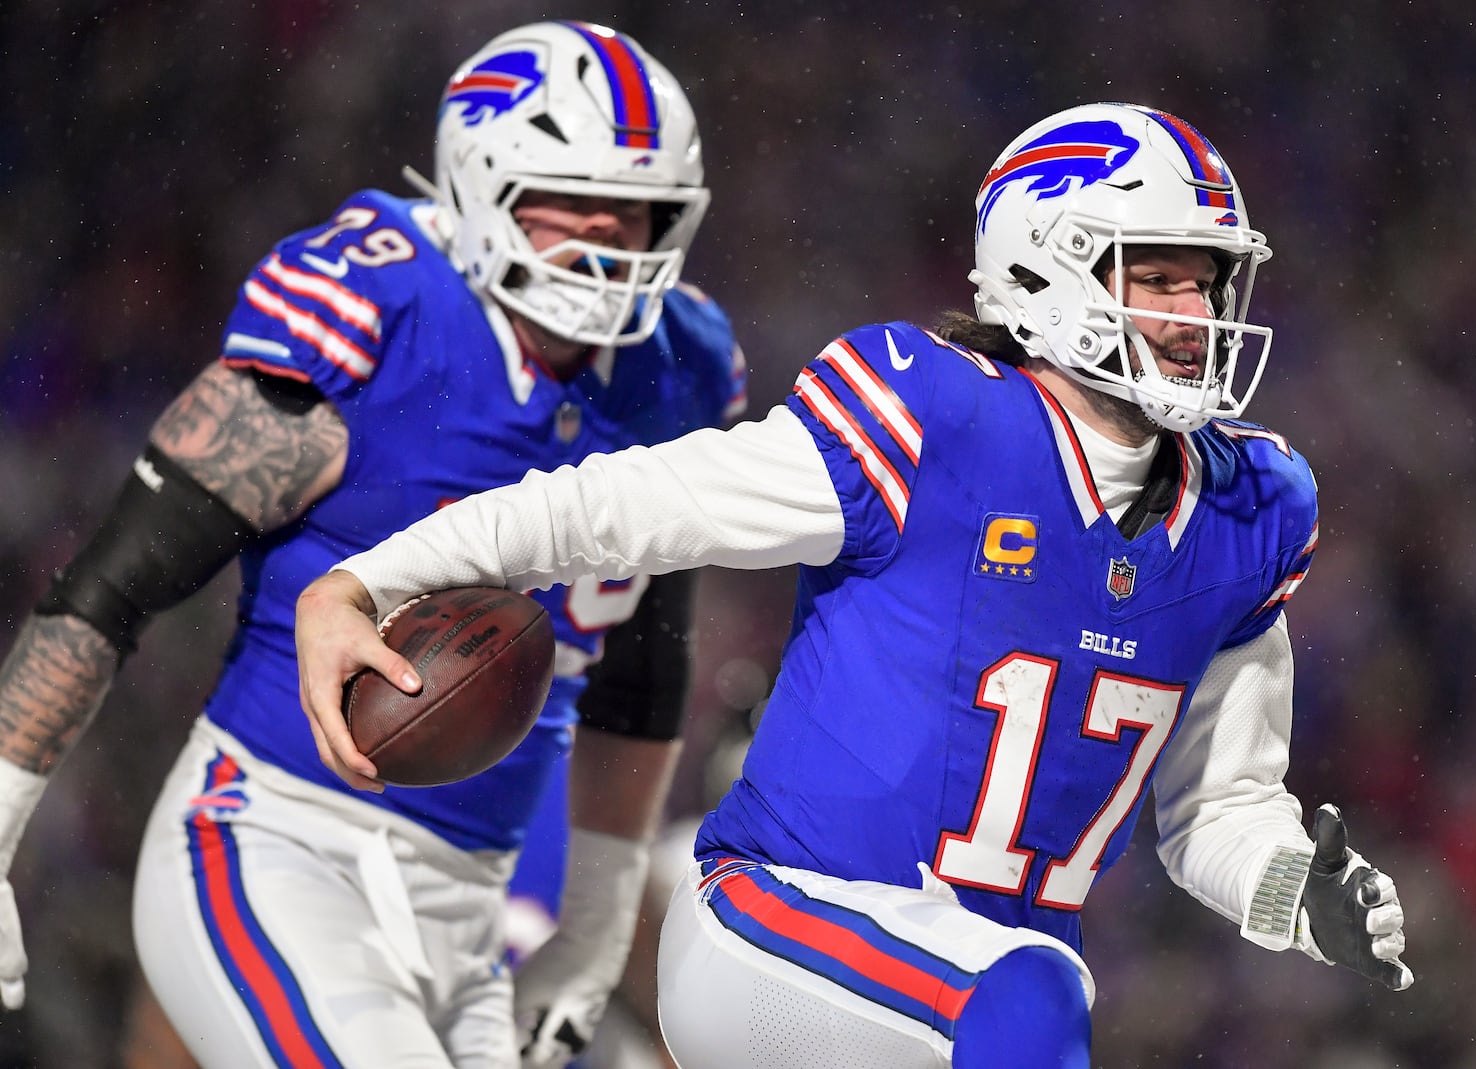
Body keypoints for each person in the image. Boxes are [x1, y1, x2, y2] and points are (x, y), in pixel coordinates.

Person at [293, 101, 1414, 1068]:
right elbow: (627, 505)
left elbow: (1215, 806)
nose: (1193, 316)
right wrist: (374, 577)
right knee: (1030, 991)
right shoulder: (935, 418)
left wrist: (1292, 893)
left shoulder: (1250, 509)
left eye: (1206, 281)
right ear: (1044, 266)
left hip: (950, 1005)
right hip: (771, 927)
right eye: (1155, 276)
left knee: (1027, 989)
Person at [0, 19, 745, 1069]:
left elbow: (639, 669)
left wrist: (591, 920)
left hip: (476, 908)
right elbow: (109, 587)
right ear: (481, 186)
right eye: (573, 202)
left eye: (640, 210)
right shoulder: (378, 309)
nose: (612, 236)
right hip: (276, 842)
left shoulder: (681, 371)